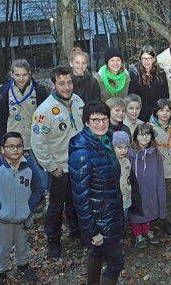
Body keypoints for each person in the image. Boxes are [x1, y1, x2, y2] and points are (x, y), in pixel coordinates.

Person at [31, 65, 85, 258]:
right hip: (59, 169)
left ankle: (75, 232)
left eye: (69, 82)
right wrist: (52, 167)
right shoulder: (44, 111)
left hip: (78, 166)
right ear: (53, 84)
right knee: (56, 206)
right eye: (61, 83)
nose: (67, 87)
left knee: (76, 202)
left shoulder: (78, 102)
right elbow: (38, 143)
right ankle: (53, 240)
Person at [68, 101, 124, 285]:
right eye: (95, 120)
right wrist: (92, 232)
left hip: (110, 211)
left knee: (97, 252)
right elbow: (80, 199)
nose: (101, 124)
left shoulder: (106, 140)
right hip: (100, 220)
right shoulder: (82, 153)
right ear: (86, 122)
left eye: (104, 119)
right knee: (116, 263)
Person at [0, 132, 43, 285]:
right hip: (3, 220)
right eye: (11, 146)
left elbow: (38, 189)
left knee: (23, 244)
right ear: (3, 149)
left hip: (24, 217)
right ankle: (0, 272)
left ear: (23, 148)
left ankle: (23, 265)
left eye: (19, 146)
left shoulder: (30, 168)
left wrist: (29, 207)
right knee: (3, 247)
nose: (15, 149)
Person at [0, 59, 48, 205]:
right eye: (17, 75)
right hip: (13, 139)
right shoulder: (4, 92)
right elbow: (1, 118)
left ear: (29, 74)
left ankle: (39, 197)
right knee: (15, 169)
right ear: (11, 74)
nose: (21, 78)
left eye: (24, 75)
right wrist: (2, 140)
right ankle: (19, 198)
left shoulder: (39, 91)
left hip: (34, 137)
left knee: (36, 168)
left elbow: (46, 116)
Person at [128, 123, 166, 249]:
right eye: (141, 134)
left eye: (147, 135)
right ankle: (137, 234)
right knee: (137, 209)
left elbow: (160, 172)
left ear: (151, 137)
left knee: (148, 207)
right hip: (135, 188)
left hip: (150, 187)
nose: (144, 137)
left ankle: (146, 229)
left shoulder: (155, 153)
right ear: (135, 136)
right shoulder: (130, 153)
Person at [150, 98, 171, 234]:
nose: (165, 113)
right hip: (155, 170)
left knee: (170, 196)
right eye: (161, 110)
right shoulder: (149, 127)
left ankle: (169, 220)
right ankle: (154, 220)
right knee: (154, 196)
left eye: (168, 111)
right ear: (156, 112)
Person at [128, 45, 169, 121]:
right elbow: (132, 95)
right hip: (139, 112)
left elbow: (165, 95)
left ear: (154, 59)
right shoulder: (134, 73)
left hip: (156, 112)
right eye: (144, 58)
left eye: (149, 58)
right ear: (140, 59)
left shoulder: (160, 73)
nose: (146, 61)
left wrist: (160, 111)